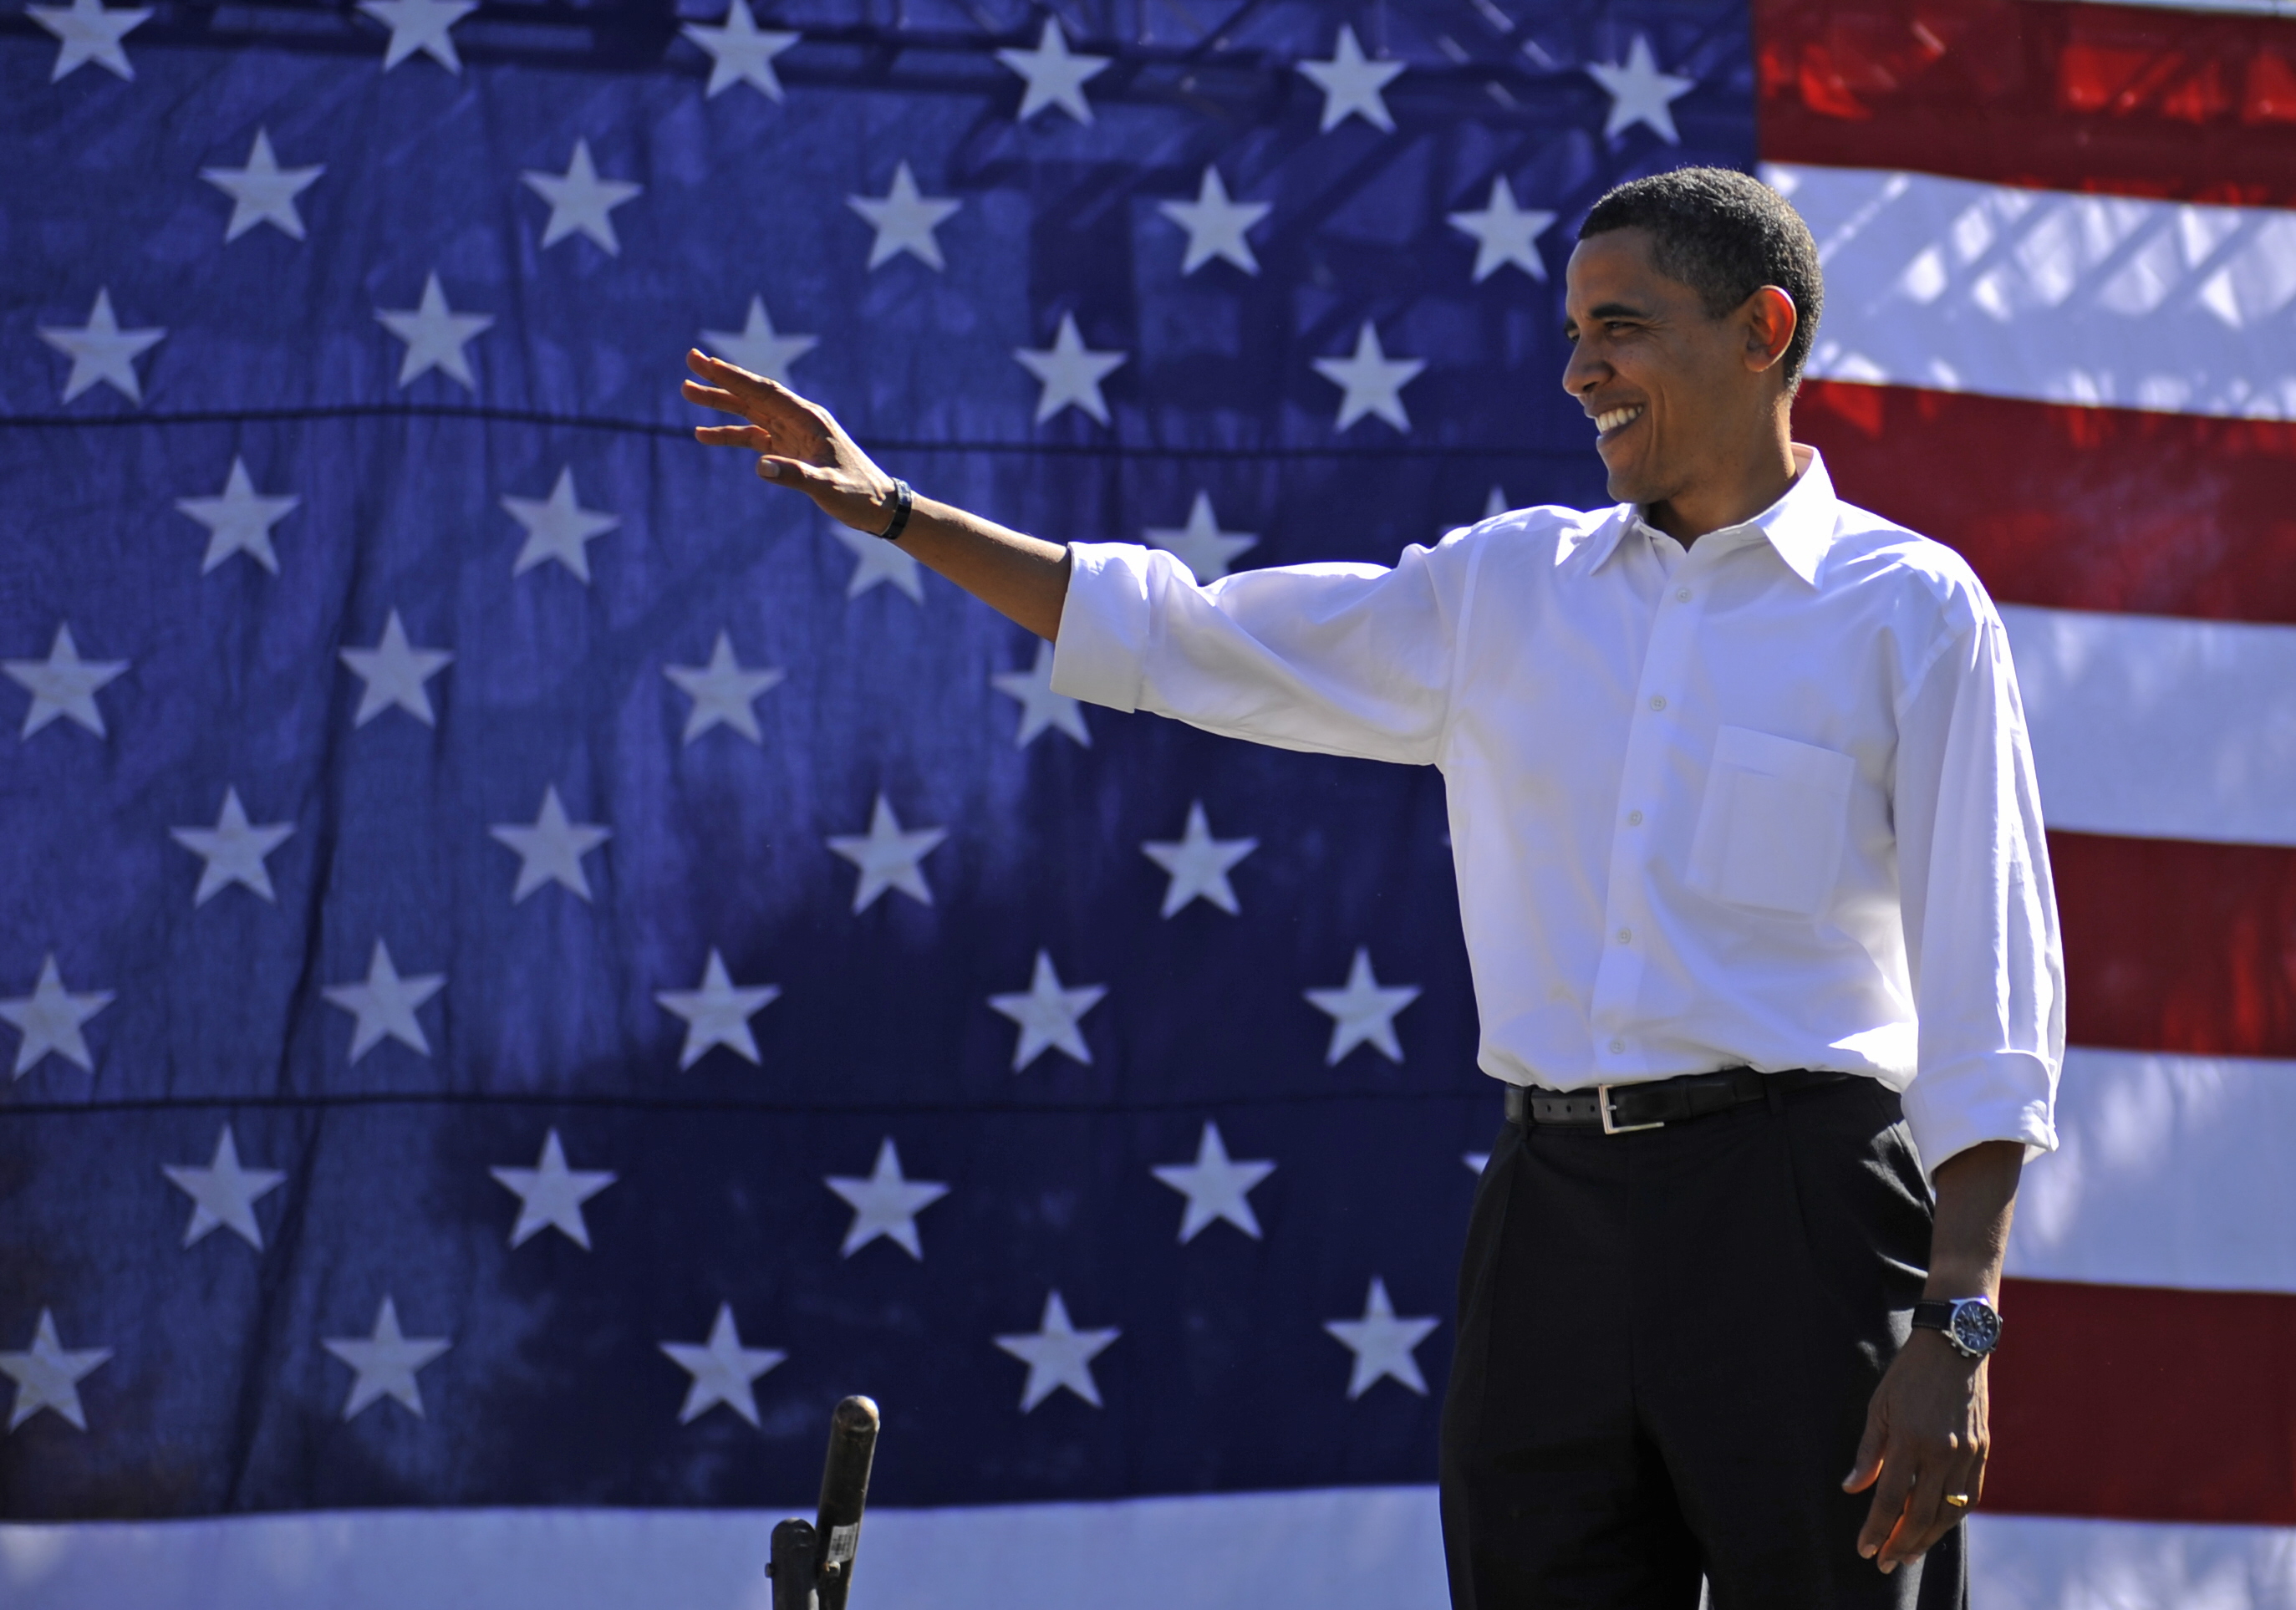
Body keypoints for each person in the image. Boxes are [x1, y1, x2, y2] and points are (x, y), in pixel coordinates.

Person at [680, 166, 2061, 1608]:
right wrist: (904, 513)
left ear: (1762, 327)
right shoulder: (1509, 585)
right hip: (1551, 1218)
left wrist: (1956, 1324)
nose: (1579, 367)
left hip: (1801, 1223)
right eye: (1575, 329)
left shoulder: (1911, 607)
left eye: (1622, 326)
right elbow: (1189, 639)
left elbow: (1991, 982)